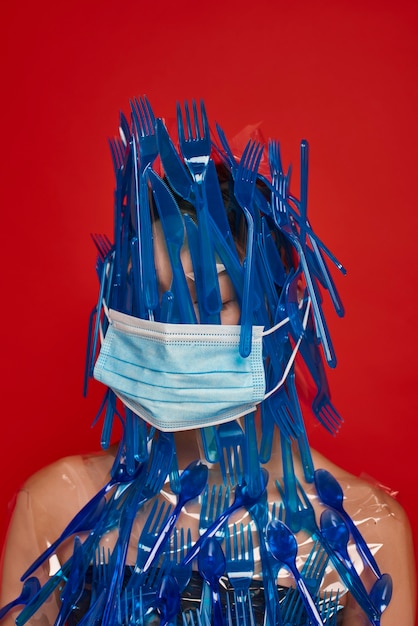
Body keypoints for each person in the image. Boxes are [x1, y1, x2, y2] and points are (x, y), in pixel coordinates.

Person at [0, 97, 416, 626]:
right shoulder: (56, 511)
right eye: (153, 302)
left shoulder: (366, 534)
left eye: (213, 302)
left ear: (279, 313)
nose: (175, 332)